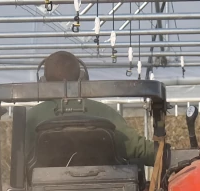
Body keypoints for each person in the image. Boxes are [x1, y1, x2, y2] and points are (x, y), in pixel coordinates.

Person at [26, 50, 158, 167]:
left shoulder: (31, 119)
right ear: (82, 78)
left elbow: (20, 163)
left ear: (43, 82)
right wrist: (169, 155)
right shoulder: (106, 113)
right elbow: (140, 149)